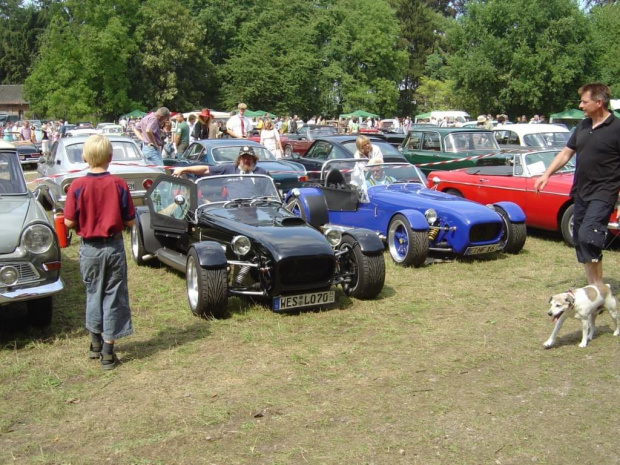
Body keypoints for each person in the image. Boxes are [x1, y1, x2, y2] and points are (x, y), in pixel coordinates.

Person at [534, 83, 620, 287]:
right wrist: (546, 174)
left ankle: (597, 288)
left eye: (584, 101)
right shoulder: (582, 126)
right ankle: (594, 286)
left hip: (604, 192)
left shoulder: (617, 128)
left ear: (599, 103)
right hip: (581, 190)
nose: (581, 105)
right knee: (580, 239)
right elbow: (566, 153)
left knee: (588, 235)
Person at [63, 135, 135, 370]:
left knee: (93, 292)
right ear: (110, 157)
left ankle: (95, 343)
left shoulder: (76, 185)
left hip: (89, 249)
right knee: (113, 295)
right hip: (112, 246)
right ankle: (107, 351)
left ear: (84, 157)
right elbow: (130, 220)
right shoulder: (119, 184)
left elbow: (69, 222)